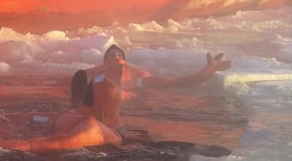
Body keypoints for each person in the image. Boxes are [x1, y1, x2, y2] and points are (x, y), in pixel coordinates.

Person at [72, 44, 231, 105]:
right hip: (101, 102)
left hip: (127, 101)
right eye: (112, 55)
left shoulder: (137, 76)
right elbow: (67, 82)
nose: (116, 57)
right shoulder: (91, 74)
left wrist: (208, 71)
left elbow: (176, 81)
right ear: (105, 60)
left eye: (119, 55)